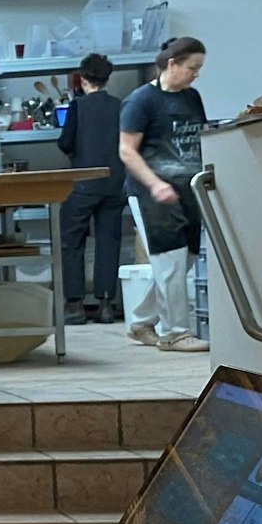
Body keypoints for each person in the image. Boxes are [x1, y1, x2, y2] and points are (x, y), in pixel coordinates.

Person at [119, 36, 210, 353]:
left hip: (187, 190)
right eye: (191, 68)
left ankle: (142, 321)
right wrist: (155, 184)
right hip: (150, 194)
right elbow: (127, 151)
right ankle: (175, 333)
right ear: (172, 64)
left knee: (185, 261)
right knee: (169, 262)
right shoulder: (140, 101)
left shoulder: (191, 98)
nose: (195, 74)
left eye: (199, 69)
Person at [57, 53, 127, 324]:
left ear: (82, 78)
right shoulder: (122, 106)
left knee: (72, 242)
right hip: (114, 183)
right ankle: (106, 304)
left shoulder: (77, 107)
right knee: (109, 242)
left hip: (83, 184)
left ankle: (74, 305)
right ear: (107, 78)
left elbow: (65, 143)